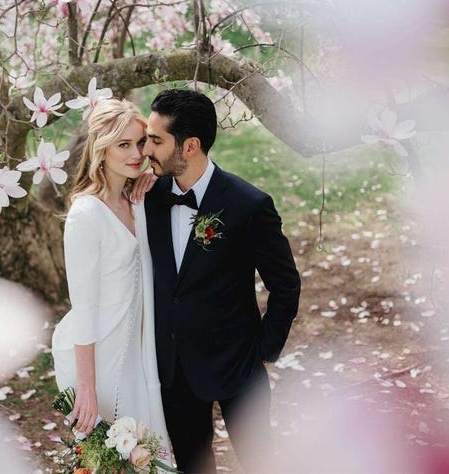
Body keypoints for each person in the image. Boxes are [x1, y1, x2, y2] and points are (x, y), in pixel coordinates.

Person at [140, 88, 301, 473]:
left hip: (237, 367)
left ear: (190, 146)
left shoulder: (249, 205)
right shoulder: (147, 198)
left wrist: (264, 349)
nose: (146, 150)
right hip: (175, 371)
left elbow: (286, 284)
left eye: (156, 140)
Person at [51, 99, 170, 454]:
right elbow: (83, 308)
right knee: (113, 457)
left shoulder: (136, 199)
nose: (136, 154)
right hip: (101, 358)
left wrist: (156, 175)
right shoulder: (86, 214)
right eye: (123, 145)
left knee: (147, 454)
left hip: (138, 351)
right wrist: (87, 388)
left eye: (140, 143)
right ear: (101, 149)